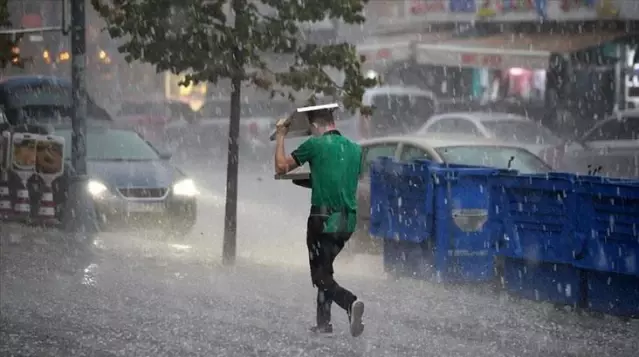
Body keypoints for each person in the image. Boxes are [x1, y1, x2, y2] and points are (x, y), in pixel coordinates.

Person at [273, 104, 365, 337]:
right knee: (326, 268)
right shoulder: (355, 149)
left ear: (314, 125)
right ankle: (323, 323)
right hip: (347, 222)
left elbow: (282, 167)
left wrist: (281, 136)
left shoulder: (315, 144)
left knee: (320, 276)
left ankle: (350, 302)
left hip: (322, 220)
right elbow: (341, 180)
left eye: (311, 129)